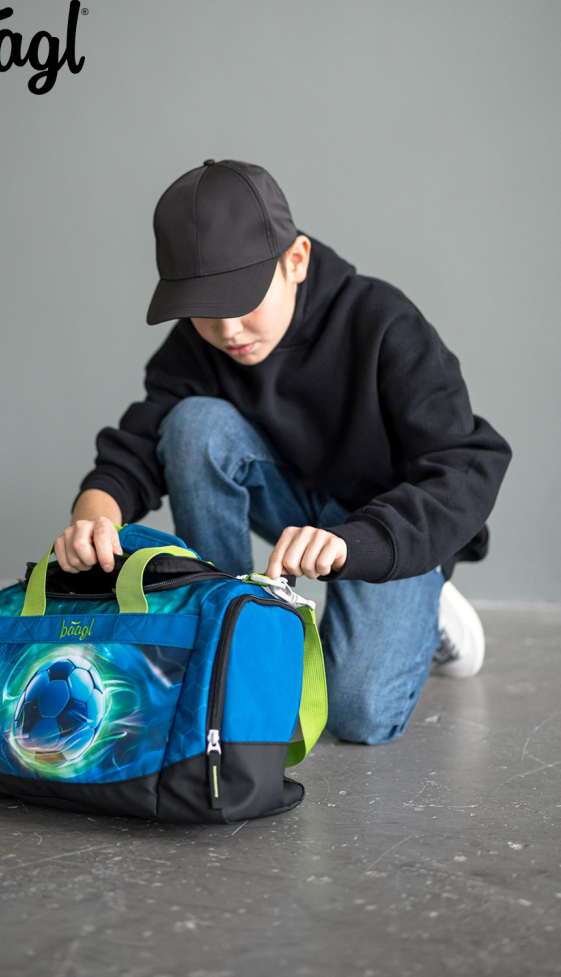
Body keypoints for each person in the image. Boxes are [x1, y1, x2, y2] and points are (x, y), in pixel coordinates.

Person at [55, 159, 512, 745]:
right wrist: (93, 516)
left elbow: (468, 464)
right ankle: (226, 626)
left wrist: (359, 543)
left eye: (242, 301)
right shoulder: (200, 345)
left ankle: (425, 610)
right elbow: (138, 444)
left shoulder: (383, 323)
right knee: (191, 424)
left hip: (386, 525)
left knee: (358, 714)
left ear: (296, 261)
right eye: (204, 310)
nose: (228, 330)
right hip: (294, 507)